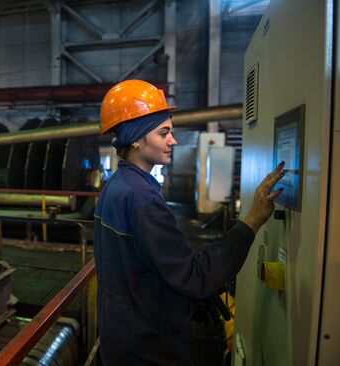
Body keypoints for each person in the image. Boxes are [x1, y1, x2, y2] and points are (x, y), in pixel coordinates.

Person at [94, 79, 285, 365]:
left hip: (120, 338)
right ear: (136, 139)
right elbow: (196, 278)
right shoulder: (144, 202)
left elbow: (141, 266)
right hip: (149, 349)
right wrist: (252, 221)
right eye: (164, 133)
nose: (173, 141)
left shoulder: (116, 186)